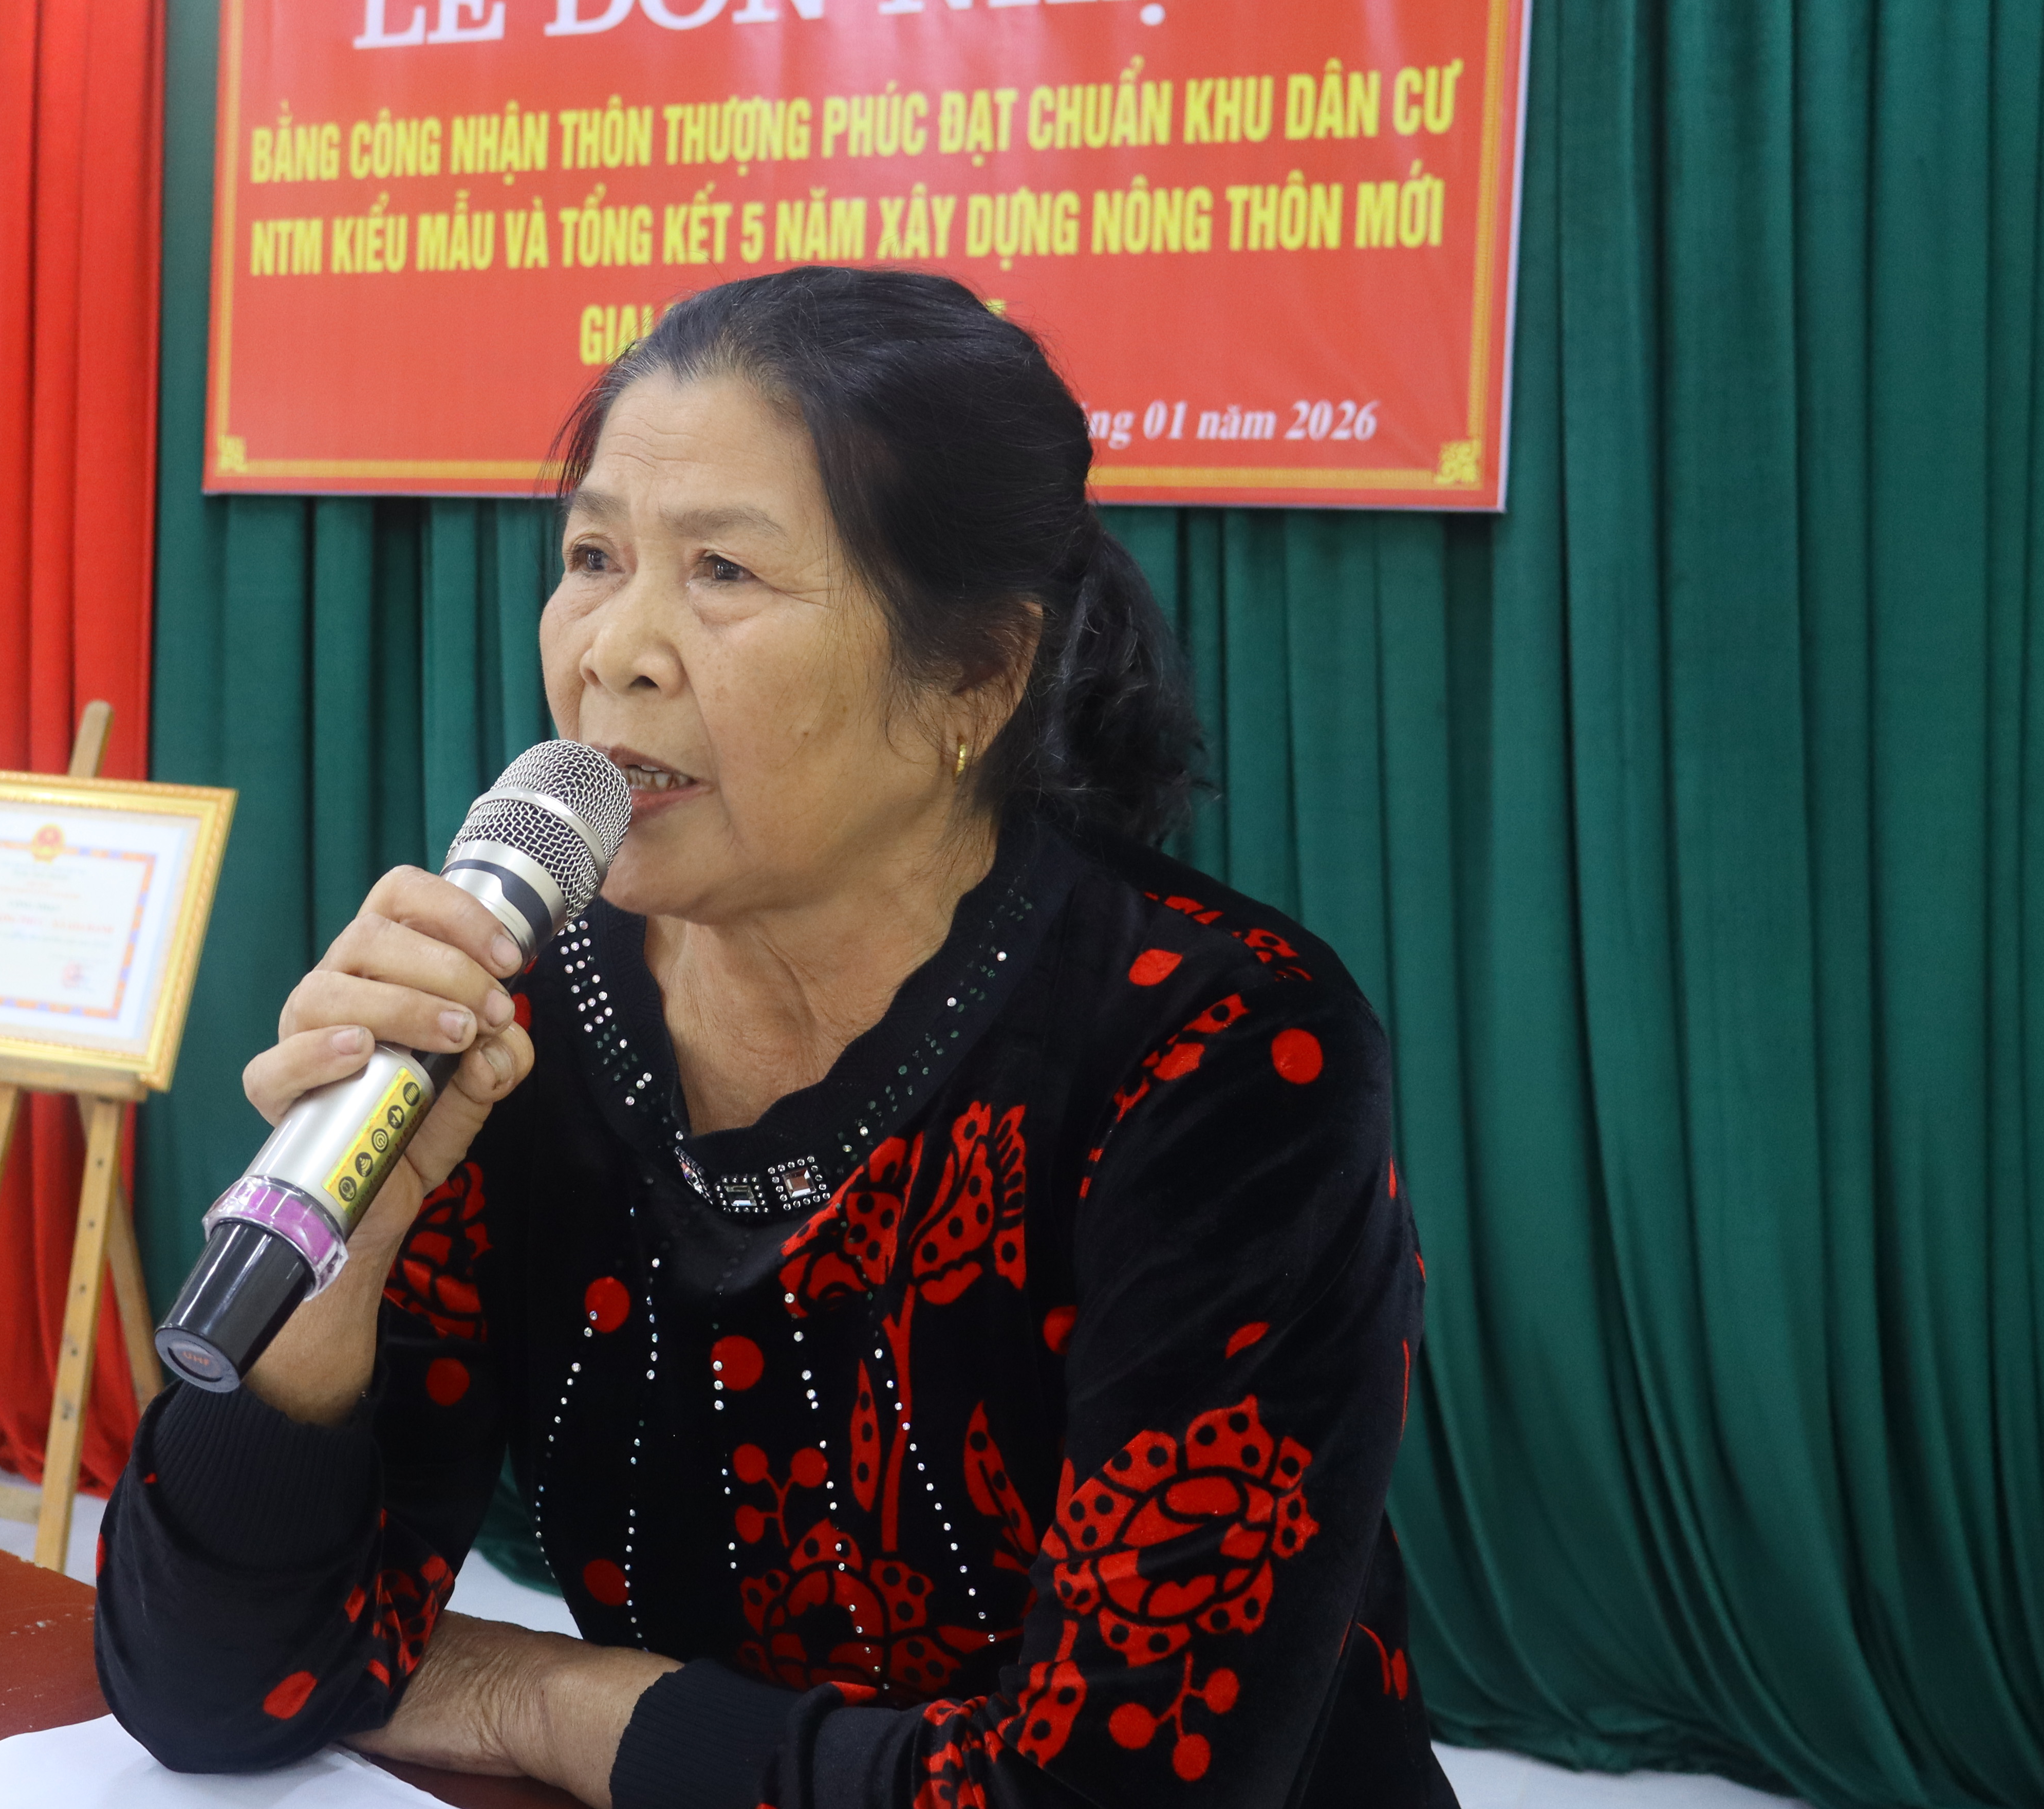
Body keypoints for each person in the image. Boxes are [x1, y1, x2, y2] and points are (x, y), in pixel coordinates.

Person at [98, 268, 1451, 1809]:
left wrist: (549, 1697)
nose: (614, 649)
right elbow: (214, 1686)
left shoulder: (1216, 1050)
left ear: (976, 672)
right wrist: (333, 1285)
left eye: (722, 571)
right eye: (593, 556)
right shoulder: (513, 1012)